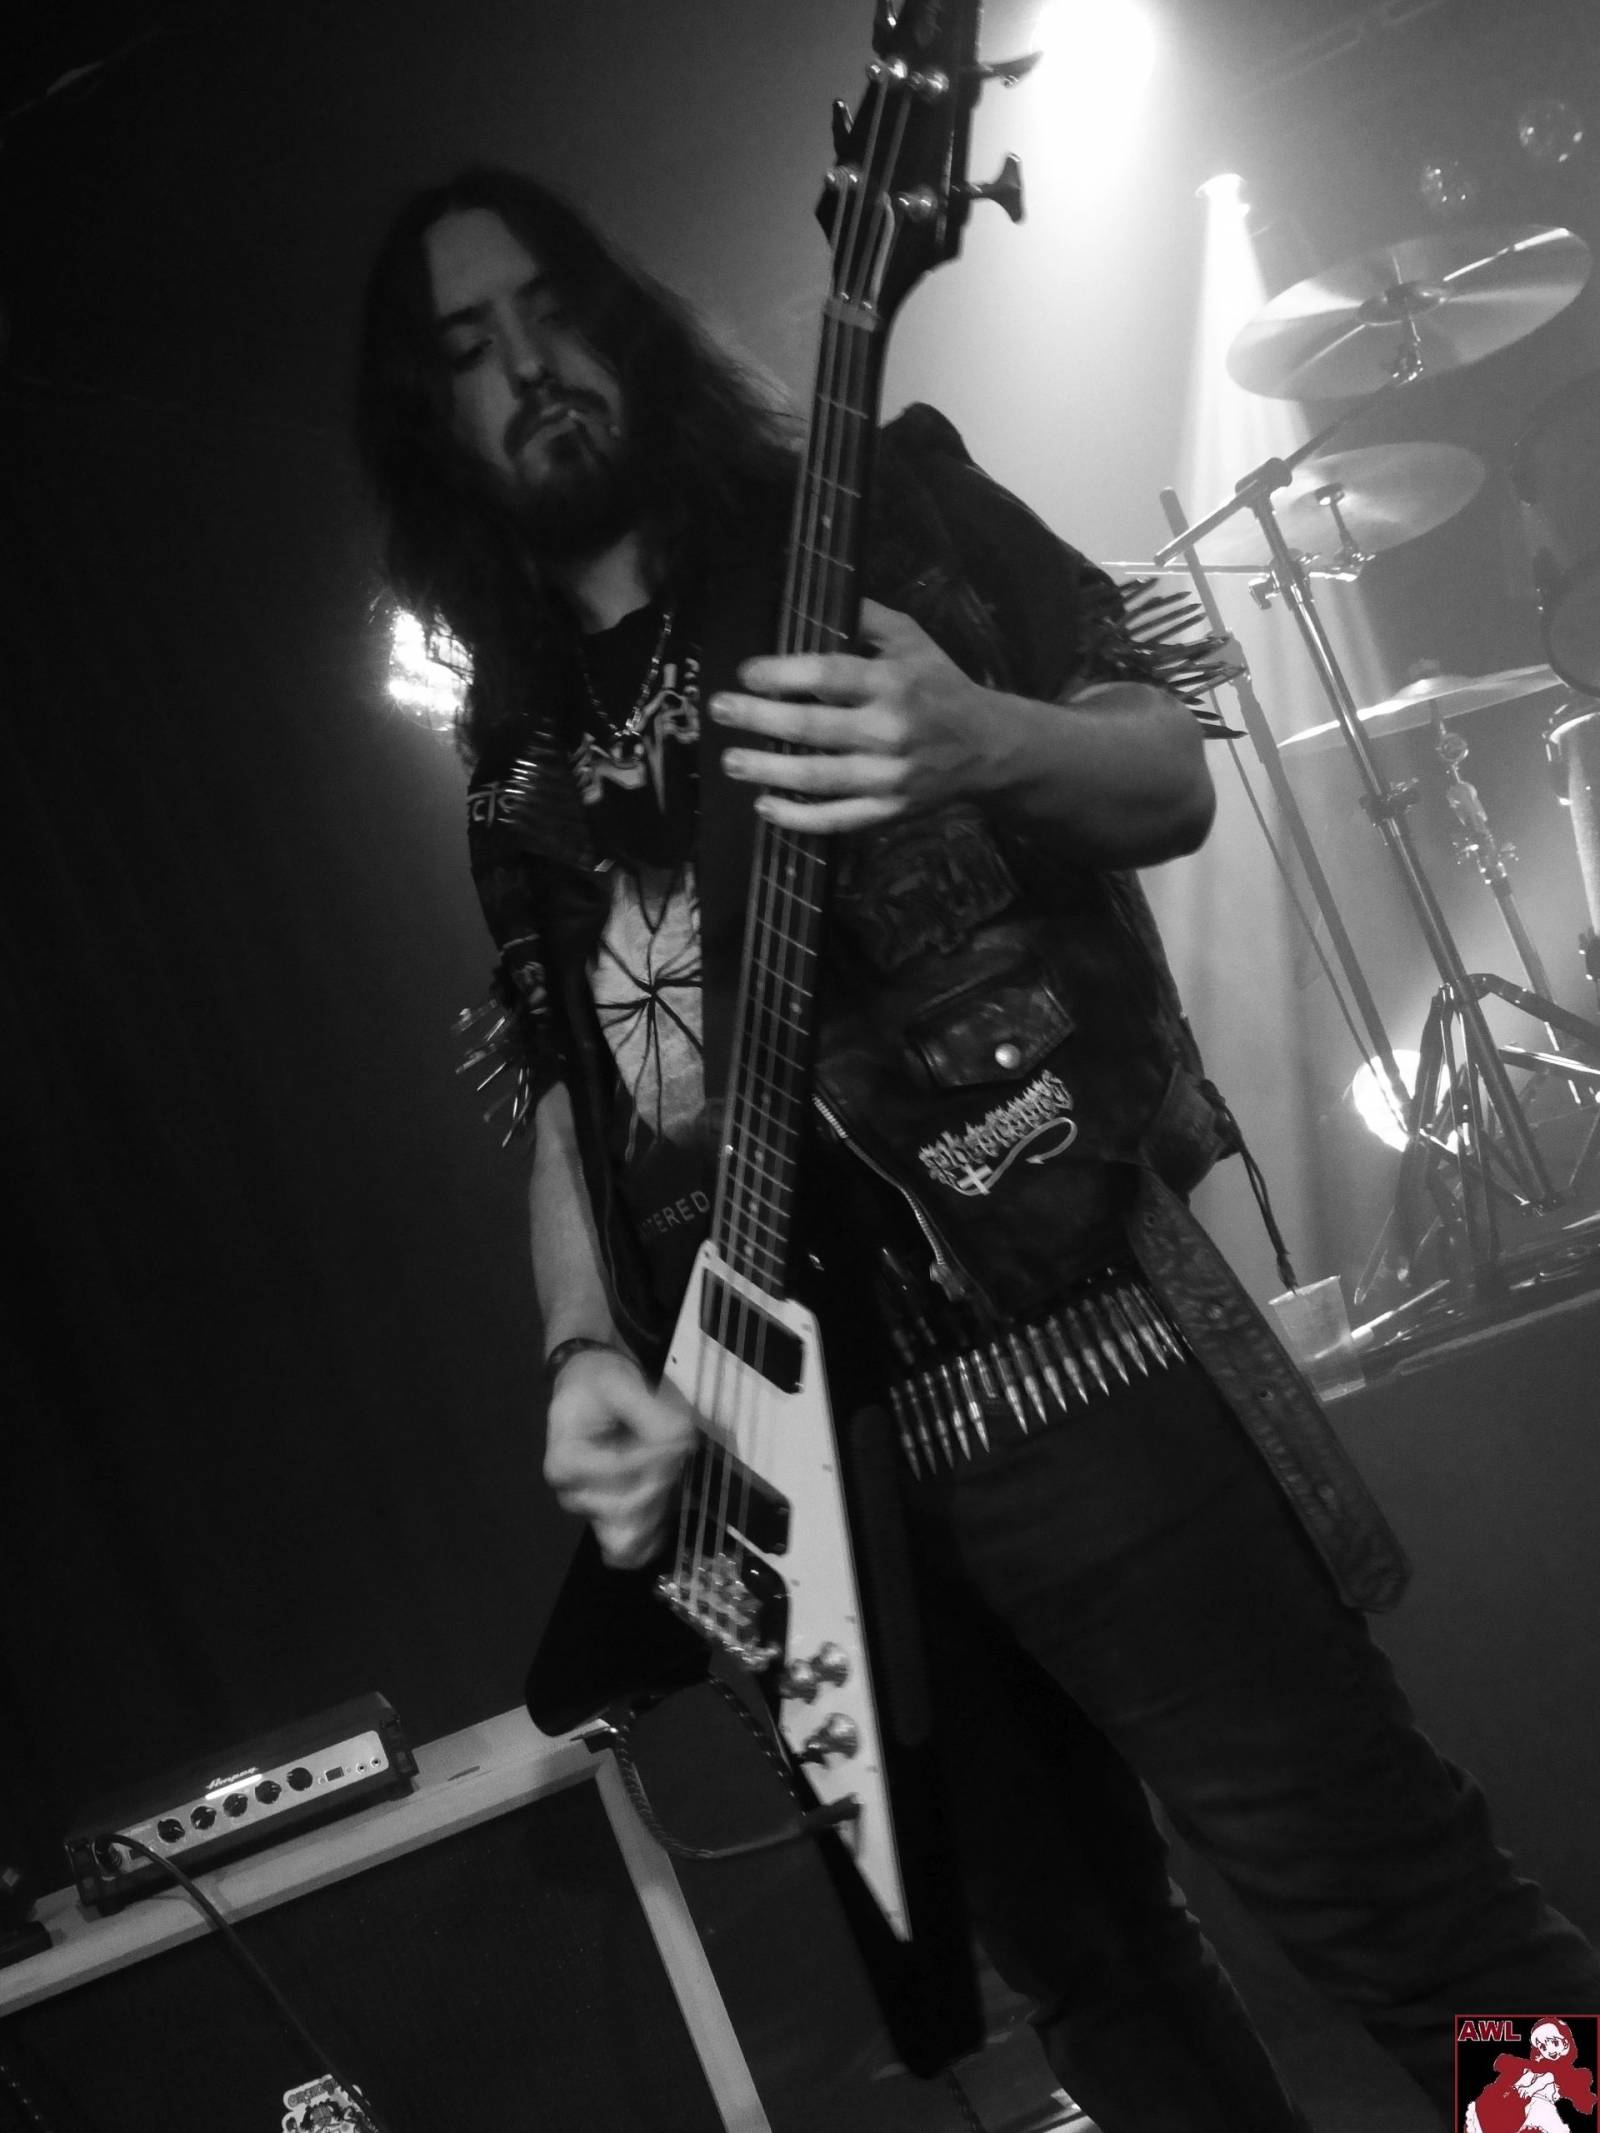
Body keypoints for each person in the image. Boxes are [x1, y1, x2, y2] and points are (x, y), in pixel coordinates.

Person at [355, 166, 1600, 2132]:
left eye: (548, 310)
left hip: (1070, 1358)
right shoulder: (510, 753)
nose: (528, 367)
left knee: (1402, 1908)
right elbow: (572, 1086)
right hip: (806, 1480)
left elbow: (1165, 765)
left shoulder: (864, 510)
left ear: (622, 318)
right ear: (429, 419)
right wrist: (583, 1345)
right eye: (467, 350)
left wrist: (979, 741)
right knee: (1092, 1990)